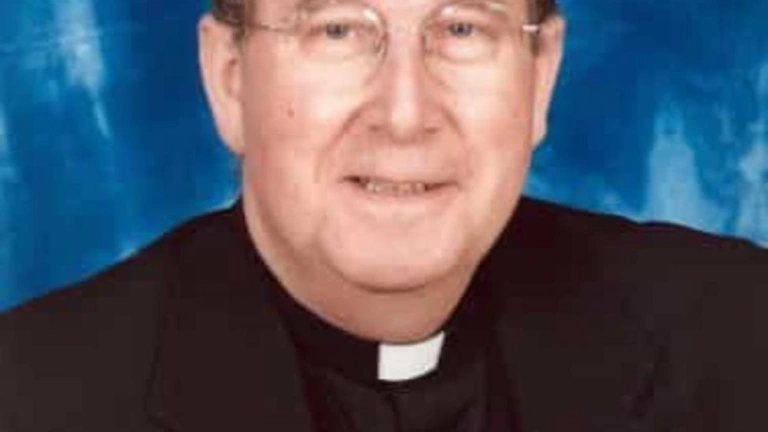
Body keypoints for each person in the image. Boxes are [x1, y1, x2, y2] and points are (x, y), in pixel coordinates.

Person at [1, 0, 766, 431]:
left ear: (540, 78)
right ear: (230, 79)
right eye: (337, 29)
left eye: (462, 29)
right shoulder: (31, 399)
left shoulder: (740, 335)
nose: (404, 114)